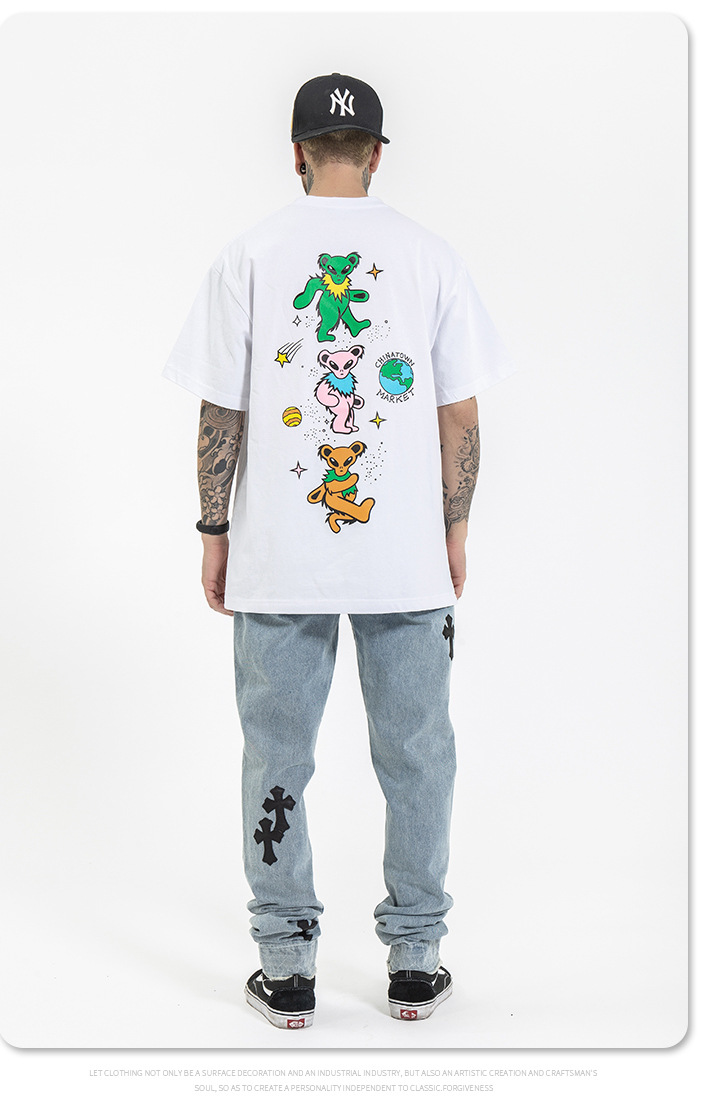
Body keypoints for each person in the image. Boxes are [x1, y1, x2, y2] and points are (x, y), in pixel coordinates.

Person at [162, 72, 515, 1030]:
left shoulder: (249, 253)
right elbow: (459, 412)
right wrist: (455, 525)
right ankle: (415, 961)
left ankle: (287, 970)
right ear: (377, 155)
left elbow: (222, 412)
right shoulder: (430, 256)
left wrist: (214, 529)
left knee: (276, 756)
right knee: (419, 755)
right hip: (406, 561)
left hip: (280, 560)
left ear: (296, 151)